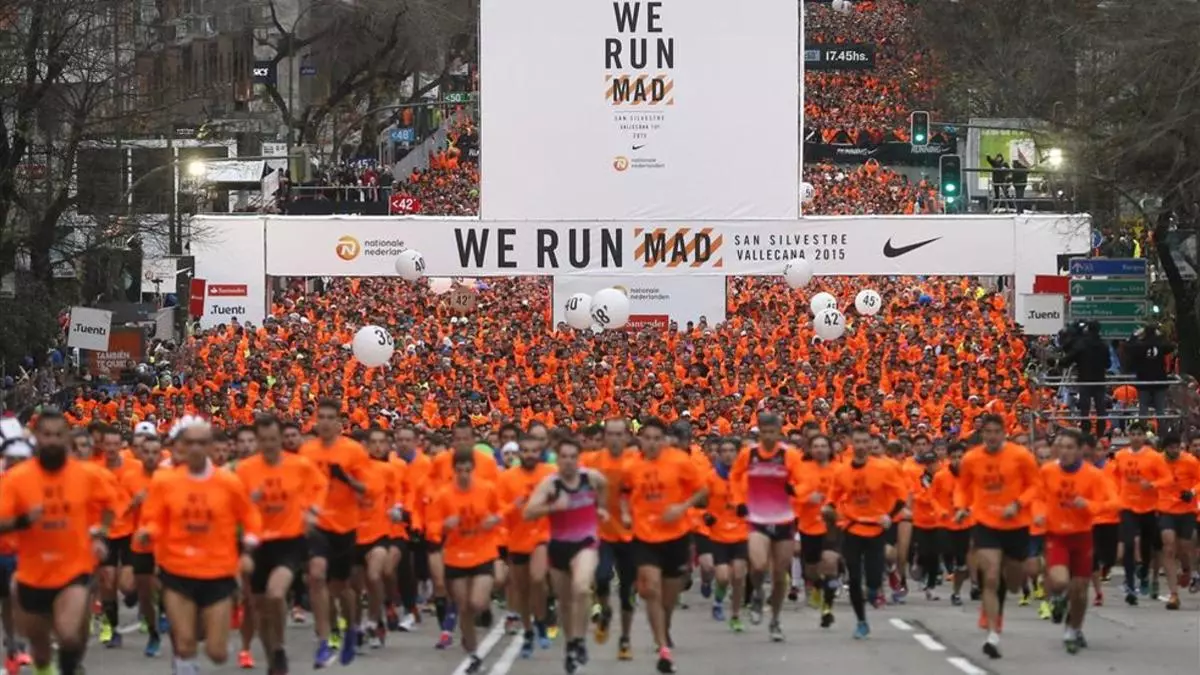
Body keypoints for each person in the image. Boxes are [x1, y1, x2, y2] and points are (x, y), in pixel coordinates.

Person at [136, 416, 262, 675]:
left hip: (217, 571)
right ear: (180, 446)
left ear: (211, 446)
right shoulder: (165, 481)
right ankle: (185, 666)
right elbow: (153, 518)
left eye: (201, 443)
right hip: (177, 569)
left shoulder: (228, 482)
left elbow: (250, 517)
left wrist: (249, 549)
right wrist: (148, 533)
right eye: (189, 443)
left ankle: (203, 652)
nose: (195, 448)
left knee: (216, 652)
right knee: (184, 643)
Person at [0, 410, 117, 675]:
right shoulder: (18, 478)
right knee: (41, 652)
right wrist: (23, 521)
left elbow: (110, 504)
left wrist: (100, 534)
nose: (52, 440)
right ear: (36, 437)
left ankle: (69, 668)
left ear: (66, 438)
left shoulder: (86, 474)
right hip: (32, 573)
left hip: (73, 569)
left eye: (57, 435)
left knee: (69, 635)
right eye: (46, 434)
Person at [235, 415, 327, 675]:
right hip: (257, 543)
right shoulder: (245, 469)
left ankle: (280, 646)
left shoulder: (299, 465)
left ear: (280, 439)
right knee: (260, 607)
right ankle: (274, 655)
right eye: (264, 440)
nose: (269, 445)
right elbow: (231, 504)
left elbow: (321, 486)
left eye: (273, 439)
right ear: (258, 441)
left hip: (289, 540)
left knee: (276, 594)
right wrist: (248, 502)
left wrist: (313, 511)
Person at [621, 418, 708, 674]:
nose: (651, 443)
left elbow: (702, 491)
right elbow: (623, 493)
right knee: (651, 590)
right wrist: (625, 513)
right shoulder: (631, 465)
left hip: (676, 536)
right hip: (644, 536)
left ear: (665, 441)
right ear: (640, 440)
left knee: (668, 598)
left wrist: (682, 507)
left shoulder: (679, 461)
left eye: (656, 439)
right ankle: (663, 649)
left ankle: (665, 626)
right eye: (647, 438)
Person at [953, 414, 1040, 660]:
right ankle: (992, 634)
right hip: (985, 522)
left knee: (1012, 583)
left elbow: (1035, 485)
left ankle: (999, 601)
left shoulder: (1020, 456)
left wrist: (1018, 504)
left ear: (1004, 433)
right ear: (982, 434)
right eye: (987, 432)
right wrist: (960, 507)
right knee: (990, 576)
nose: (991, 436)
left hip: (1016, 523)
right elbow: (962, 487)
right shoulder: (972, 458)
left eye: (996, 432)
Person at [524, 437, 608, 675]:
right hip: (559, 546)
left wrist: (601, 508)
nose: (569, 461)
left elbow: (604, 487)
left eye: (573, 457)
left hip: (586, 542)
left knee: (581, 588)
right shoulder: (550, 484)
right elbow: (528, 512)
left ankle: (580, 639)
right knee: (565, 601)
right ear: (557, 459)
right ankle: (571, 643)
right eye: (564, 457)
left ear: (578, 459)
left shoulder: (590, 478)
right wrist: (553, 507)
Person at [298, 399, 372, 667]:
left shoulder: (353, 451)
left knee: (341, 588)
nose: (326, 422)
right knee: (317, 577)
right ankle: (325, 638)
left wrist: (346, 479)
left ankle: (350, 628)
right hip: (317, 524)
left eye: (331, 417)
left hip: (345, 526)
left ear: (339, 423)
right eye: (322, 417)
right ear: (316, 421)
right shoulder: (307, 451)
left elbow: (366, 489)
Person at [824, 427, 908, 639]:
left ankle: (873, 591)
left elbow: (901, 496)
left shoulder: (884, 469)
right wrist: (829, 511)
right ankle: (861, 621)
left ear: (870, 444)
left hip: (876, 529)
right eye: (857, 442)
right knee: (853, 578)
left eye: (865, 442)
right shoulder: (841, 471)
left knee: (873, 579)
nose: (861, 446)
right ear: (851, 444)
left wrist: (889, 515)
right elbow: (832, 499)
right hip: (851, 528)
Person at [1039, 429, 1117, 654]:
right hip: (1057, 535)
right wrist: (1038, 514)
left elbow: (1114, 502)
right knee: (1061, 581)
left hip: (1082, 536)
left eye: (1070, 447)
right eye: (1061, 446)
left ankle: (1073, 630)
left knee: (1081, 590)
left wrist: (1089, 505)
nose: (1064, 451)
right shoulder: (1047, 471)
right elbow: (1035, 496)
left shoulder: (1093, 475)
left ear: (1080, 450)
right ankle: (1058, 597)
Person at [426, 448, 503, 675]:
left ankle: (486, 608)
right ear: (453, 471)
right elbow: (432, 526)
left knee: (477, 602)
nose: (463, 475)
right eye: (459, 470)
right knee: (464, 607)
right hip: (455, 556)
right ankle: (474, 653)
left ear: (473, 470)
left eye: (467, 470)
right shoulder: (443, 495)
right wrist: (444, 526)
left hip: (482, 552)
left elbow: (501, 512)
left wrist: (494, 520)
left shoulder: (487, 489)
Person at [729, 413, 805, 640]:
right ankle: (757, 592)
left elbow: (804, 480)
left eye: (773, 432)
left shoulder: (789, 455)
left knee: (780, 574)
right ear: (759, 433)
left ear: (779, 433)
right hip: (757, 518)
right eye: (765, 432)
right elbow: (735, 476)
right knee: (759, 564)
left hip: (783, 519)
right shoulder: (749, 454)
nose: (769, 436)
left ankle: (775, 620)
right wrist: (739, 501)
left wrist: (795, 490)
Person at [582, 418, 638, 660]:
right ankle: (605, 611)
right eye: (611, 434)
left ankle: (625, 638)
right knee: (602, 577)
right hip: (601, 533)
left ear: (627, 437)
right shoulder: (590, 461)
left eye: (619, 434)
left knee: (627, 591)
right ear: (604, 437)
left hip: (630, 535)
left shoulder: (636, 462)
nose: (615, 439)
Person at [498, 432, 555, 657]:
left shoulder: (550, 474)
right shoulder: (507, 478)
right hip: (517, 539)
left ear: (541, 452)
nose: (530, 455)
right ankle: (530, 630)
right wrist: (514, 506)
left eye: (534, 451)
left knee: (538, 578)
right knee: (521, 590)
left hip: (542, 535)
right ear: (519, 453)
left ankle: (541, 620)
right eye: (525, 451)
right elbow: (499, 511)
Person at [1110, 422, 1170, 605]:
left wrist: (1152, 484)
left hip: (1149, 507)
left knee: (1146, 545)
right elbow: (1113, 476)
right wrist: (1115, 494)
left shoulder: (1154, 457)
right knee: (1128, 544)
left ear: (1144, 436)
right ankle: (1130, 584)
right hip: (1127, 506)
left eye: (1139, 434)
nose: (1136, 437)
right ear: (1129, 436)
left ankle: (1144, 572)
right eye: (1133, 434)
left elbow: (1167, 478)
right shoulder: (1120, 456)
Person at [700, 436, 750, 630]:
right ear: (719, 455)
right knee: (722, 577)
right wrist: (706, 516)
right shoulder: (711, 477)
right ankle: (718, 601)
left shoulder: (745, 477)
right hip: (718, 534)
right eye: (724, 451)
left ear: (738, 454)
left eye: (732, 451)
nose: (728, 455)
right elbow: (700, 501)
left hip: (741, 533)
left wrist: (748, 509)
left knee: (738, 576)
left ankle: (735, 615)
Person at [1156, 433, 1198, 610]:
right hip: (1166, 509)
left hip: (1187, 510)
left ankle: (1187, 569)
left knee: (1185, 546)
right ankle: (1174, 594)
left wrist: (1192, 492)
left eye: (1177, 447)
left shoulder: (1190, 461)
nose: (1175, 451)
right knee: (1168, 546)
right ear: (1165, 448)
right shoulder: (1157, 462)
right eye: (1171, 447)